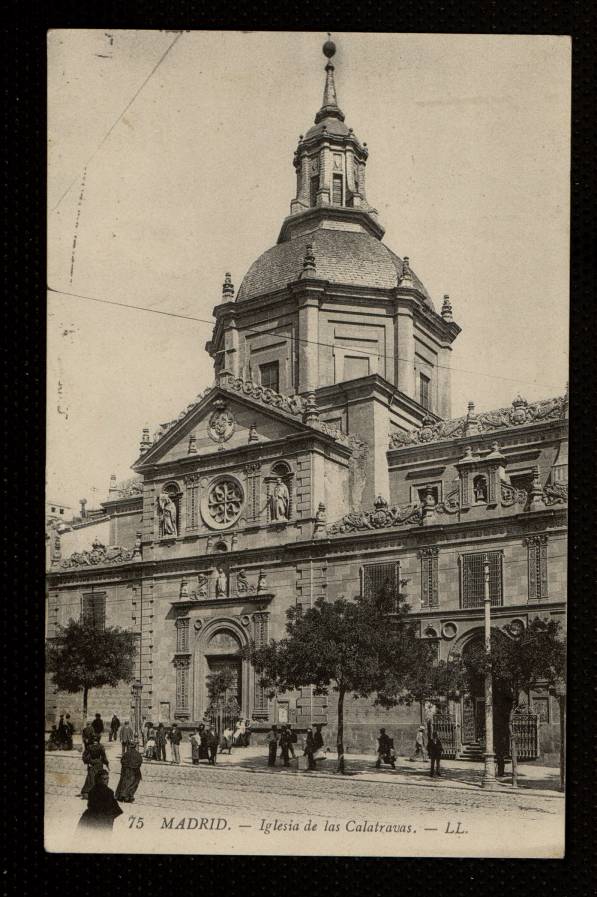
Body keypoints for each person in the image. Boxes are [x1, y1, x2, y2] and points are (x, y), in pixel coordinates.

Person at [78, 769, 123, 833]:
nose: (107, 781)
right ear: (98, 780)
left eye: (107, 778)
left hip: (91, 819)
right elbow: (116, 809)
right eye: (104, 779)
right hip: (101, 821)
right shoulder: (107, 792)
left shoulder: (93, 790)